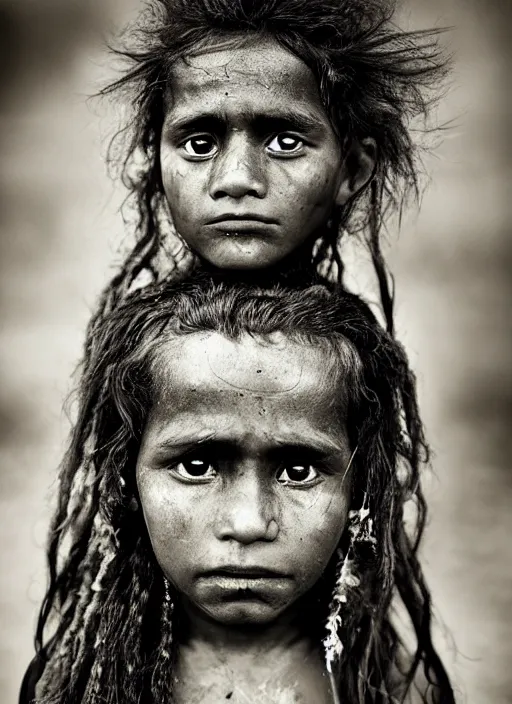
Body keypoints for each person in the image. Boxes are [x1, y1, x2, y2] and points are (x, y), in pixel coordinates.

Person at [21, 274, 455, 703]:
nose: (248, 523)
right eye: (196, 465)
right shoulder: (72, 683)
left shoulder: (394, 690)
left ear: (361, 488)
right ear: (125, 479)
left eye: (299, 471)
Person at [96, 0, 449, 336]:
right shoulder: (139, 346)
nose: (236, 180)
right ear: (155, 164)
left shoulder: (354, 353)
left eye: (285, 143)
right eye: (200, 145)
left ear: (352, 168)